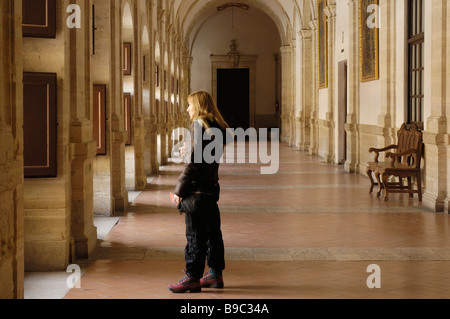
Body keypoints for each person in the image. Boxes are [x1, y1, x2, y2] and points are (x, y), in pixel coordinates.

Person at [168, 91, 230, 294]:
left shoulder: (199, 125)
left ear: (198, 105)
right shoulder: (216, 126)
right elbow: (205, 157)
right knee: (213, 233)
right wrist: (190, 149)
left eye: (189, 105)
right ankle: (214, 273)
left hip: (197, 190)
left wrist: (179, 190)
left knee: (194, 235)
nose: (187, 109)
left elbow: (194, 164)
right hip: (211, 188)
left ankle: (192, 277)